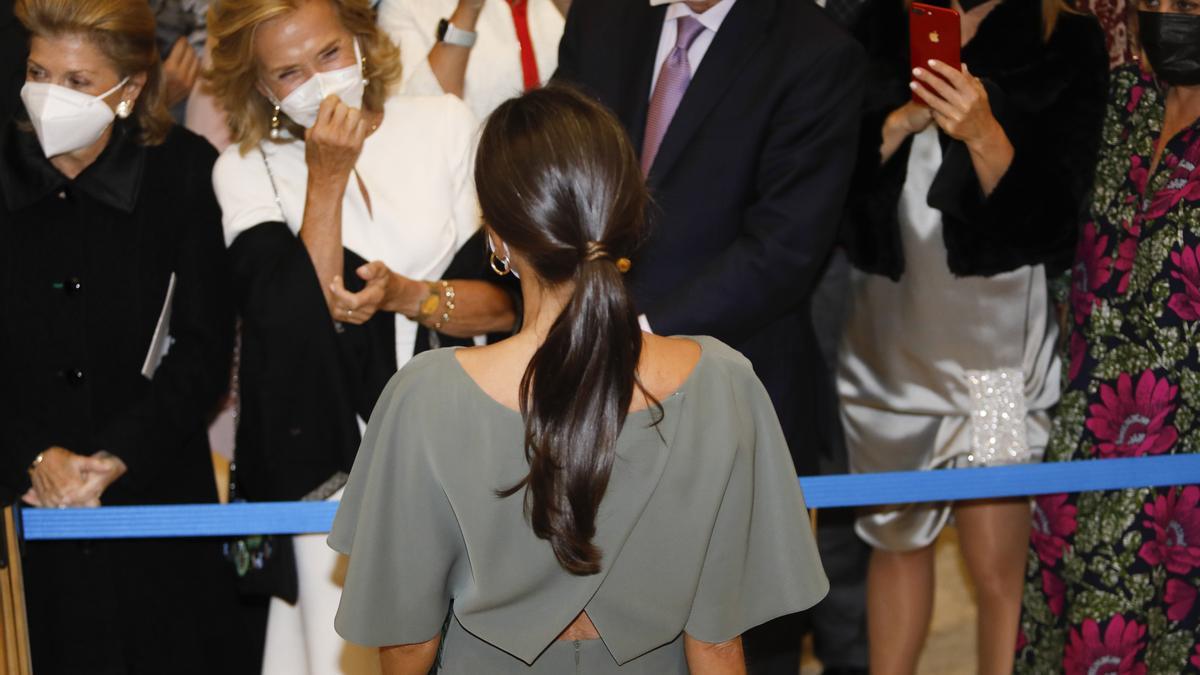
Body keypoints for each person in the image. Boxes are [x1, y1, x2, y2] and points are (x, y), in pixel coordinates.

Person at [329, 84, 828, 675]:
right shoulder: (724, 382)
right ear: (626, 217)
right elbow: (717, 644)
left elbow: (409, 644)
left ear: (497, 240)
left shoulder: (425, 396)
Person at [206, 0, 517, 672]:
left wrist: (410, 296)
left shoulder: (444, 125)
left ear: (360, 40)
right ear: (261, 87)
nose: (319, 82)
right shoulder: (244, 168)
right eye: (289, 72)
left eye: (328, 54)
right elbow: (295, 333)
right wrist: (325, 177)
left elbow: (509, 305)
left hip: (470, 447)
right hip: (329, 469)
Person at [553, 1, 865, 671]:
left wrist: (632, 332)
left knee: (739, 631)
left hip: (729, 388)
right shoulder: (604, 19)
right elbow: (552, 171)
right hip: (583, 385)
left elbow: (783, 249)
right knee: (590, 617)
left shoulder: (814, 50)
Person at [837, 0, 1108, 672]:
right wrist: (903, 119)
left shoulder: (1064, 36)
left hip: (996, 355)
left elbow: (1057, 222)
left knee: (997, 564)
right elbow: (827, 183)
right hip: (890, 350)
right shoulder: (872, 21)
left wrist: (985, 133)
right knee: (894, 543)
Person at [0, 0, 254, 672]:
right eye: (38, 70)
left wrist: (115, 455)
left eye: (78, 81)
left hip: (156, 509)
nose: (50, 95)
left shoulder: (184, 172)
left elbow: (203, 350)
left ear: (131, 88)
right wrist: (30, 453)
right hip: (21, 520)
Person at [1016, 1, 1200, 670]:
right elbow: (1046, 223)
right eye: (1165, 1)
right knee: (1064, 637)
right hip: (1085, 435)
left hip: (1184, 459)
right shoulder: (1118, 103)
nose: (1175, 15)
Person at [377, 0, 565, 121]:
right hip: (472, 175)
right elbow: (420, 118)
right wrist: (469, 7)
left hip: (573, 165)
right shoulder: (405, 6)